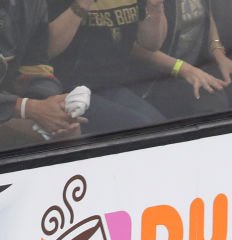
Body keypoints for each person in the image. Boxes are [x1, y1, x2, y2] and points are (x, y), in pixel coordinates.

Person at [47, 0, 169, 132]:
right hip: (68, 89)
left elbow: (151, 43)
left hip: (110, 85)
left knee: (163, 129)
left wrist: (155, 6)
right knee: (144, 132)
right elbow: (46, 49)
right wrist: (82, 4)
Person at [133, 0, 232, 119]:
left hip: (194, 67)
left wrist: (218, 53)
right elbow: (132, 47)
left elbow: (206, 15)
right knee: (214, 102)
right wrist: (182, 69)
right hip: (156, 79)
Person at [1, 0, 87, 147]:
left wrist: (54, 105)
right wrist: (28, 108)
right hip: (8, 107)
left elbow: (35, 63)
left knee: (68, 133)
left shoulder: (33, 4)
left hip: (8, 103)